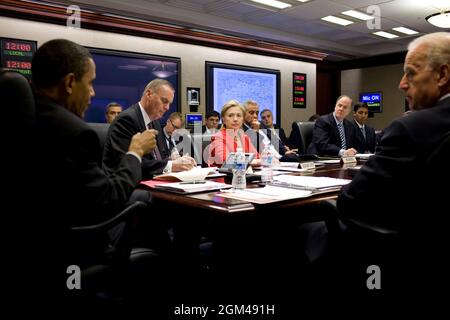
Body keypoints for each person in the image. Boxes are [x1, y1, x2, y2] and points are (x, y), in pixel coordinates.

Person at [30, 39, 158, 304]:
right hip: (71, 246)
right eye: (89, 83)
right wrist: (135, 152)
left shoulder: (24, 115)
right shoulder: (74, 131)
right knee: (144, 204)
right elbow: (108, 200)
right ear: (69, 83)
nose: (92, 93)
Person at [336, 32, 450, 294]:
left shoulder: (410, 128)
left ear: (442, 76)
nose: (401, 84)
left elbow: (352, 201)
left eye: (410, 73)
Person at [103, 79, 196, 180]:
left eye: (169, 103)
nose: (167, 108)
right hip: (126, 186)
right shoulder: (127, 120)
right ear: (149, 94)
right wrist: (171, 165)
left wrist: (173, 159)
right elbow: (129, 163)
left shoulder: (155, 122)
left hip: (152, 181)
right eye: (164, 101)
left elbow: (158, 158)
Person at [208, 100, 259, 167]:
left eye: (239, 115)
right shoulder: (218, 137)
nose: (235, 119)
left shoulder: (244, 137)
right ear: (223, 120)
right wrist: (252, 161)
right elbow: (226, 160)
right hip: (224, 176)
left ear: (243, 119)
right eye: (230, 115)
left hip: (244, 175)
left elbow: (258, 157)